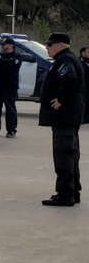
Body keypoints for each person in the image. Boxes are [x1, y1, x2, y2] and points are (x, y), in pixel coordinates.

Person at [39, 33, 83, 207]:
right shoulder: (66, 58)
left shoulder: (65, 60)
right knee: (71, 154)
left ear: (59, 45)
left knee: (63, 154)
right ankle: (73, 191)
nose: (47, 48)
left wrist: (61, 99)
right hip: (69, 116)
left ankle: (65, 194)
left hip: (65, 116)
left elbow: (70, 80)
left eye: (49, 45)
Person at [0, 37, 23, 138]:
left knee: (10, 109)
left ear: (11, 45)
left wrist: (0, 62)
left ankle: (11, 130)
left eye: (5, 44)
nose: (3, 46)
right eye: (2, 44)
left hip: (9, 87)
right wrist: (3, 62)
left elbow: (12, 67)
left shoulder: (17, 56)